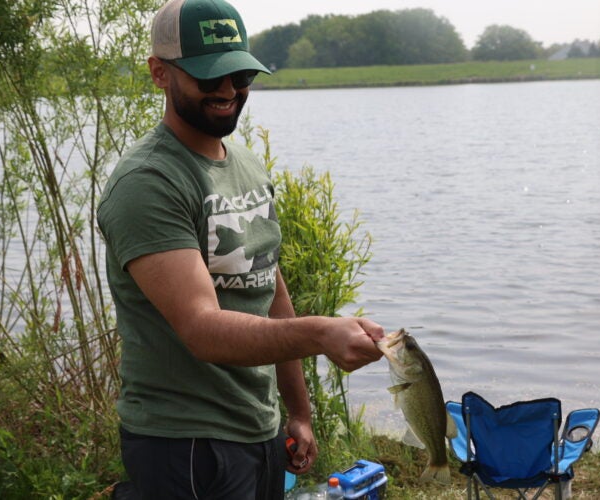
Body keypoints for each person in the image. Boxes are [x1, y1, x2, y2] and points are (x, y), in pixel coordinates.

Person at [96, 0, 385, 498]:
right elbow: (202, 330)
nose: (229, 90)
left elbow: (271, 294)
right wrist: (321, 333)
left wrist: (297, 411)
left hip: (258, 430)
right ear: (160, 73)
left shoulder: (246, 164)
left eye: (241, 75)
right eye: (210, 77)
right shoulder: (148, 182)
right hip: (184, 444)